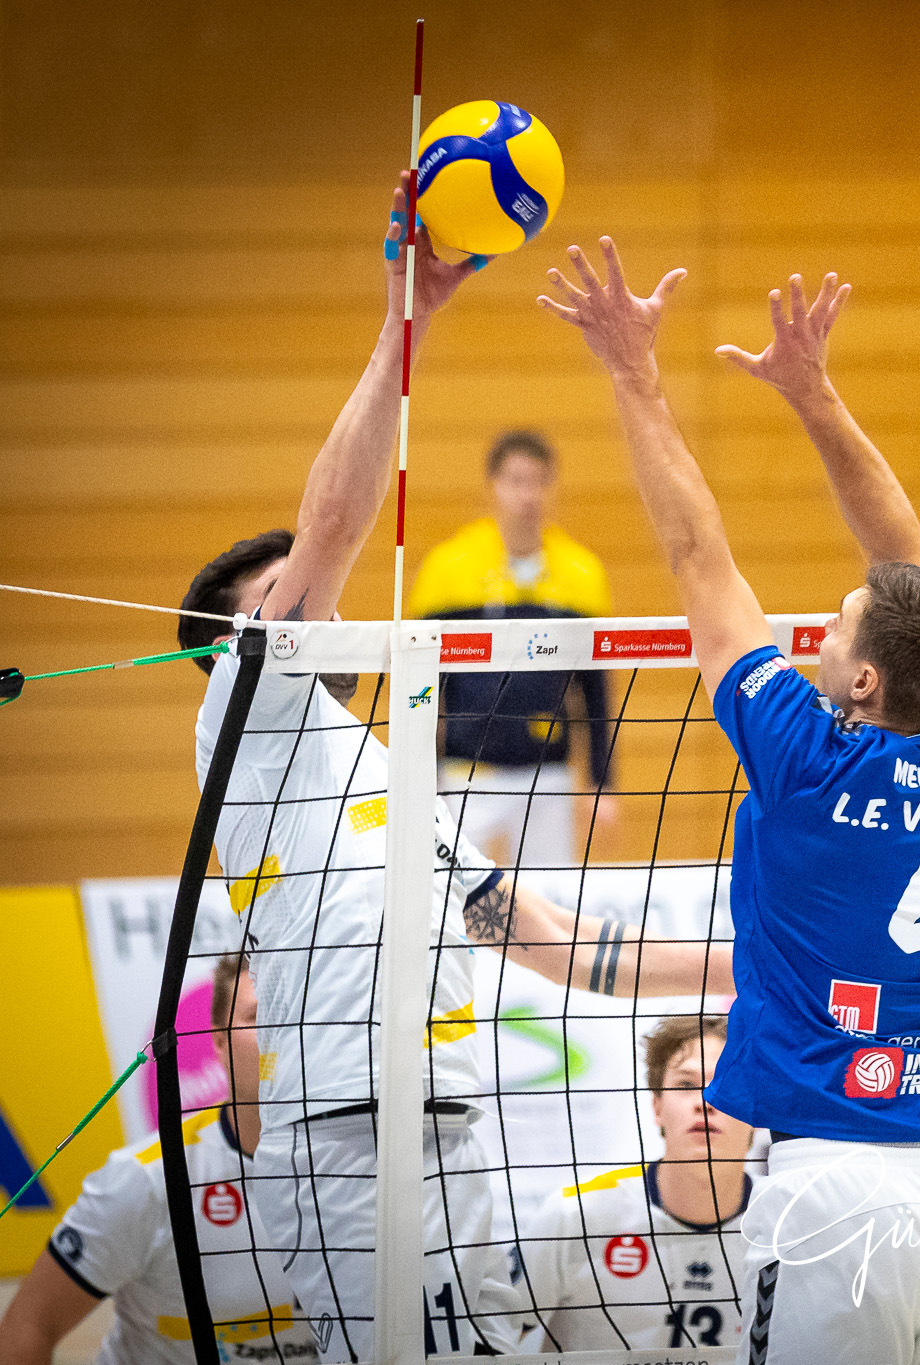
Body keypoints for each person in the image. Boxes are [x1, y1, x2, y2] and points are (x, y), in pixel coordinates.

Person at [172, 181, 734, 1362]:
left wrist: (763, 960)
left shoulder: (384, 765)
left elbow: (555, 941)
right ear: (242, 639)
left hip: (451, 1133)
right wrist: (404, 328)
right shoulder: (246, 718)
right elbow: (329, 527)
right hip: (343, 1139)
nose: (315, 605)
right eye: (285, 602)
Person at [539, 247, 920, 1364]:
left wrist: (634, 375)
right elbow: (910, 570)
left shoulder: (808, 762)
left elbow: (695, 550)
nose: (816, 630)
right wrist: (814, 397)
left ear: (863, 682)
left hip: (835, 1192)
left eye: (837, 626)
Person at [0, 957, 317, 1365]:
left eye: (293, 1015)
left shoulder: (371, 1167)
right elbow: (27, 1328)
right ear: (218, 1044)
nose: (281, 1034)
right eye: (259, 1015)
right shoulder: (145, 1179)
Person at [409, 428, 620, 869]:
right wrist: (420, 776)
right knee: (454, 898)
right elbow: (422, 687)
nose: (529, 495)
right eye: (516, 481)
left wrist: (603, 782)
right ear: (494, 487)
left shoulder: (582, 573)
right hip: (468, 774)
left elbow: (597, 690)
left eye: (539, 481)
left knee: (553, 899)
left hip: (548, 775)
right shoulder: (448, 568)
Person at [515, 1015, 751, 1351]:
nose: (706, 1101)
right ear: (657, 1108)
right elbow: (487, 1340)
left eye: (728, 1085)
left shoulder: (786, 1229)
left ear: (758, 1113)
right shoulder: (576, 1215)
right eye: (685, 1085)